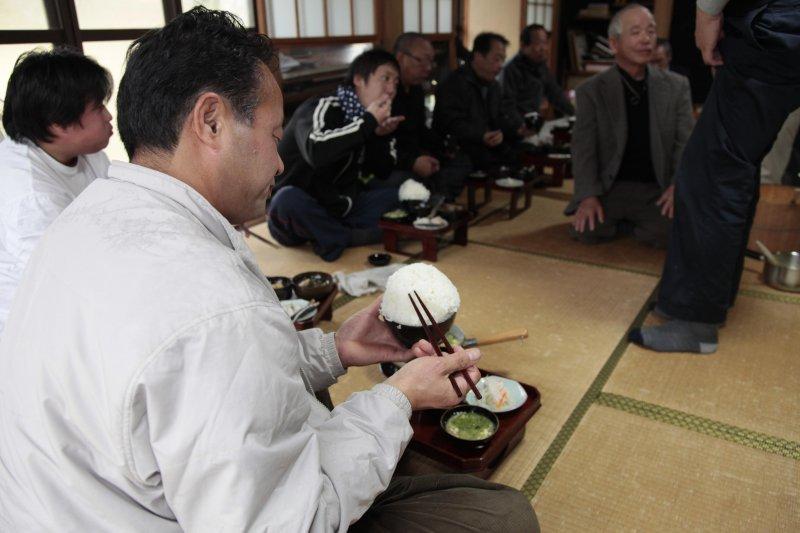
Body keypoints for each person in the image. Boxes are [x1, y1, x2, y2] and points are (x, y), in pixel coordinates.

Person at [0, 9, 540, 532]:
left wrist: (336, 350)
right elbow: (287, 522)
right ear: (210, 121)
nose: (280, 161)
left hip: (75, 500)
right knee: (505, 517)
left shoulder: (92, 212)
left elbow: (222, 381)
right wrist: (399, 399)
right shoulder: (210, 306)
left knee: (328, 412)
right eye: (274, 134)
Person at [631, 0, 800, 353]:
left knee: (712, 175)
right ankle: (710, 300)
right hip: (784, 30)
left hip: (778, 26)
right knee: (736, 163)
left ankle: (695, 320)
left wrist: (707, 15)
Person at [0, 48, 112, 336]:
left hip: (78, 286)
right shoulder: (30, 196)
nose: (109, 116)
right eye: (99, 108)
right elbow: (63, 285)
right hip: (29, 327)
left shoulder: (86, 153)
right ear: (58, 124)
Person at [566, 4, 694, 248]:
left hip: (655, 188)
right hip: (608, 187)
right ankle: (623, 220)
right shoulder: (591, 90)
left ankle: (634, 222)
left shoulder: (677, 86)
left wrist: (679, 185)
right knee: (586, 233)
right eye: (635, 32)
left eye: (651, 31)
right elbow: (583, 148)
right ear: (614, 44)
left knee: (670, 236)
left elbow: (685, 143)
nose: (646, 39)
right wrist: (588, 196)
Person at [268, 49, 403, 262]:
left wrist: (379, 136)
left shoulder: (367, 119)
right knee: (286, 199)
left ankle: (333, 235)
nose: (391, 90)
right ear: (359, 79)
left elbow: (382, 171)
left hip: (339, 206)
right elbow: (316, 151)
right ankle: (347, 236)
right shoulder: (322, 107)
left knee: (397, 195)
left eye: (395, 83)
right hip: (301, 210)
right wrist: (368, 123)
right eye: (385, 79)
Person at [433, 32, 519, 192]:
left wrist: (507, 130)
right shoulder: (454, 83)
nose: (500, 65)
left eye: (503, 59)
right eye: (497, 59)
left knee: (519, 150)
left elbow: (499, 117)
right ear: (478, 57)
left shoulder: (494, 86)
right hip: (458, 146)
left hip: (485, 143)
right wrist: (481, 135)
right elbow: (451, 122)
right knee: (462, 166)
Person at [392, 32, 471, 200]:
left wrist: (444, 147)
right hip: (395, 161)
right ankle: (435, 200)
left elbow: (421, 129)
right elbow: (382, 146)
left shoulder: (416, 89)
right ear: (400, 57)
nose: (428, 67)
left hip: (416, 154)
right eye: (422, 60)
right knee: (410, 181)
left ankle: (437, 198)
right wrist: (413, 162)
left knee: (462, 161)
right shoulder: (386, 91)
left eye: (431, 61)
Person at [501, 23, 575, 126]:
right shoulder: (511, 69)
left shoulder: (541, 67)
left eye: (545, 43)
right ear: (523, 46)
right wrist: (522, 127)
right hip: (513, 127)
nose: (544, 48)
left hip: (532, 124)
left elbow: (555, 94)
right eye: (538, 43)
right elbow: (507, 106)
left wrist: (575, 113)